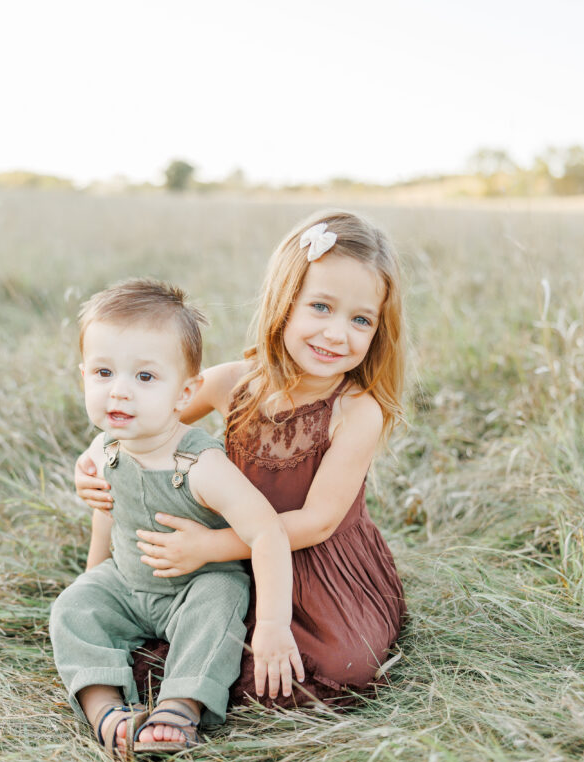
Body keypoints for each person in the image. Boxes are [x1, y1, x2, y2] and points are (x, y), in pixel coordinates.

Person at [75, 212, 406, 709]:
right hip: (226, 563)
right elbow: (140, 422)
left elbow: (317, 523)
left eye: (361, 319)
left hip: (314, 565)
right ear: (283, 302)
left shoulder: (357, 411)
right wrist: (91, 463)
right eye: (320, 307)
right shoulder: (234, 382)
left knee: (341, 665)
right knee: (199, 617)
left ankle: (201, 670)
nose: (337, 334)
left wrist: (210, 545)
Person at [50, 278, 299, 759]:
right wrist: (92, 579)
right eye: (103, 373)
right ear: (83, 375)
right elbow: (107, 511)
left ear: (186, 393)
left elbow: (267, 530)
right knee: (71, 608)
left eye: (145, 378)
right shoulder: (106, 448)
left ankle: (178, 707)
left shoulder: (199, 464)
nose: (118, 392)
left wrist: (272, 623)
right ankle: (107, 711)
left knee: (223, 598)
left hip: (193, 586)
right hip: (127, 581)